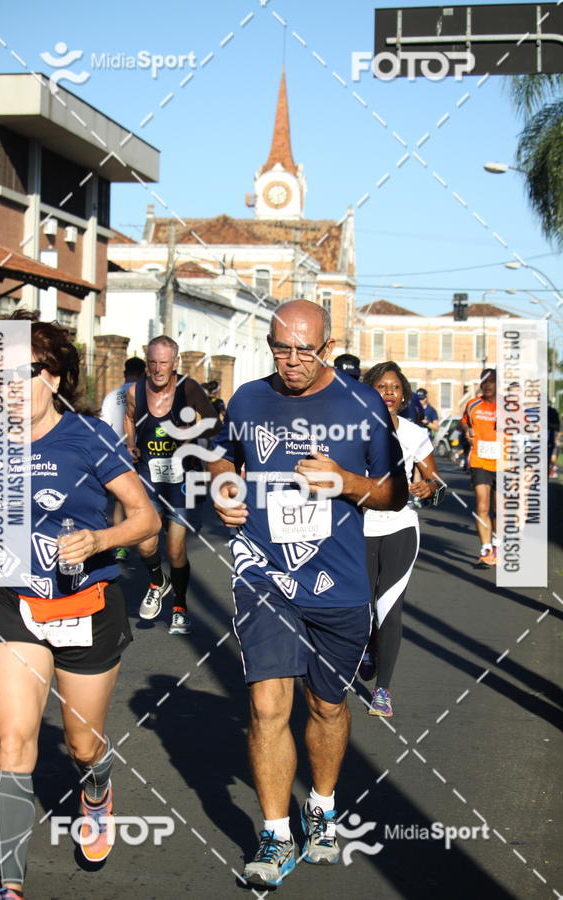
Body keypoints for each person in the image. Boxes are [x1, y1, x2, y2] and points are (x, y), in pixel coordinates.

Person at [208, 299, 407, 887]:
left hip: (338, 579)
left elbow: (395, 493)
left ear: (327, 345)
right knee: (268, 706)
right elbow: (224, 456)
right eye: (280, 347)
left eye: (304, 350)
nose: (290, 360)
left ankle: (320, 808)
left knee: (326, 704)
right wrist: (224, 488)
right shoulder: (247, 398)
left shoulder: (360, 402)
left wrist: (346, 483)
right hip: (264, 571)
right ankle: (274, 836)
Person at [0, 311, 160, 900]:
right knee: (12, 742)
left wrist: (99, 540)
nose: (12, 390)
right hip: (13, 595)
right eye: (0, 378)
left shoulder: (91, 436)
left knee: (81, 744)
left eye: (26, 374)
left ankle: (96, 788)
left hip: (88, 602)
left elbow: (146, 517)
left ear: (55, 377)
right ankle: (11, 889)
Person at [360, 362, 443, 717]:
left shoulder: (413, 434)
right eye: (381, 386)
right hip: (358, 528)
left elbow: (438, 483)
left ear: (404, 395)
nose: (389, 393)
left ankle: (382, 692)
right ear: (368, 392)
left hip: (401, 526)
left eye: (395, 388)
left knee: (388, 608)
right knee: (360, 606)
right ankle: (368, 645)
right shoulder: (350, 431)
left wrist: (429, 487)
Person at [124, 335, 221, 635]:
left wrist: (191, 436)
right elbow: (129, 418)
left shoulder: (188, 388)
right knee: (144, 542)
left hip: (181, 480)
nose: (157, 369)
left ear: (175, 363)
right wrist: (129, 443)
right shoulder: (134, 391)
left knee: (175, 547)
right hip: (148, 476)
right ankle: (157, 581)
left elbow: (215, 422)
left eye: (163, 362)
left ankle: (179, 606)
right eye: (152, 362)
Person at [100, 356, 146, 561]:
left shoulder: (111, 396)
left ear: (124, 373)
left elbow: (104, 428)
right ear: (144, 372)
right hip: (144, 451)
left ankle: (120, 546)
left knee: (120, 499)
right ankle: (146, 539)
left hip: (119, 451)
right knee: (146, 498)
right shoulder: (146, 394)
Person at [461, 368, 498, 567]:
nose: (487, 385)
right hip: (480, 461)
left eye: (491, 381)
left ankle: (498, 545)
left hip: (505, 463)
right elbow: (464, 423)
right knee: (482, 506)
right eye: (484, 381)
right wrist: (467, 430)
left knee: (500, 509)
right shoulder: (472, 404)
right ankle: (486, 549)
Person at [547, 403, 560, 478]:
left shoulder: (553, 412)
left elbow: (557, 427)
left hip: (551, 441)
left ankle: (551, 469)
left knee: (552, 459)